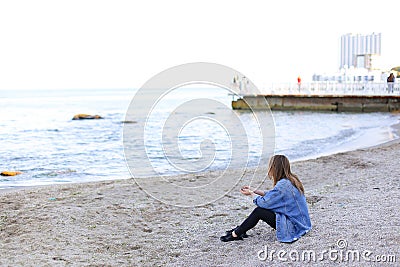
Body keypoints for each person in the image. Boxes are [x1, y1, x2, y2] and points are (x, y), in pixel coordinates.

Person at [220, 155, 312, 243]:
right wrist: (255, 191)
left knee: (259, 211)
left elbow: (264, 203)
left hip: (294, 227)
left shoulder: (283, 185)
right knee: (262, 210)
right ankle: (240, 230)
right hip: (302, 224)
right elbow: (274, 196)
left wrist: (251, 194)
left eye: (270, 167)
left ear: (274, 168)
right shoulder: (291, 179)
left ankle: (236, 234)